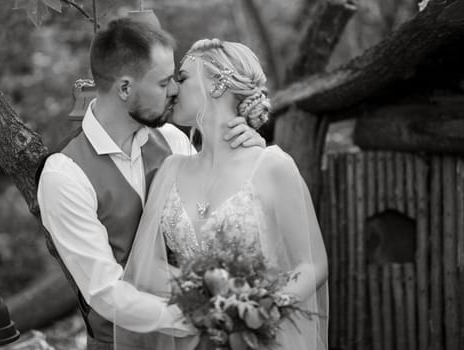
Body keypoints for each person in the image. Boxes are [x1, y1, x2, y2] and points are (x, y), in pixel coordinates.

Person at [37, 20, 265, 350]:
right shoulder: (65, 175)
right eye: (163, 82)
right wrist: (202, 318)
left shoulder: (174, 141)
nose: (174, 89)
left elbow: (225, 205)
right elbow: (105, 291)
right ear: (125, 89)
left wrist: (250, 153)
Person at [124, 39, 329, 350]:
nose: (174, 90)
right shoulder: (170, 169)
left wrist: (263, 307)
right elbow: (146, 265)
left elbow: (312, 264)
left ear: (218, 83)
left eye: (182, 78)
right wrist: (204, 301)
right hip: (191, 335)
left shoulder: (273, 166)